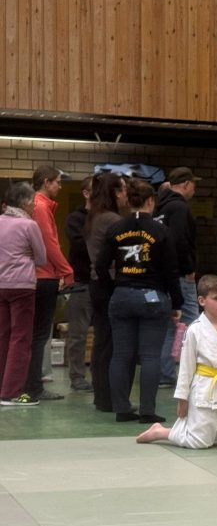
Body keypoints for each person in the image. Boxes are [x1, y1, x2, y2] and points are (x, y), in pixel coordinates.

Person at [93, 179, 183, 423]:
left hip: (121, 295)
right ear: (150, 201)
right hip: (152, 298)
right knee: (151, 356)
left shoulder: (116, 228)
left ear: (129, 201)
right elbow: (171, 271)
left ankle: (122, 408)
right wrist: (177, 303)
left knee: (121, 355)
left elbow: (100, 266)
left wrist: (114, 287)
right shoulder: (161, 231)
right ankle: (147, 411)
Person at [137, 275, 217, 448]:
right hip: (204, 389)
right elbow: (186, 368)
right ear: (201, 301)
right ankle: (161, 432)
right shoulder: (195, 330)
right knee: (200, 442)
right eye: (216, 298)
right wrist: (182, 400)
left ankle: (190, 427)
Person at [26, 165, 75, 401]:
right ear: (46, 182)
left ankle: (24, 383)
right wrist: (67, 271)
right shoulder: (42, 207)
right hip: (43, 277)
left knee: (28, 334)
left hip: (32, 276)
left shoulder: (33, 205)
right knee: (39, 335)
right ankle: (34, 387)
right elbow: (49, 245)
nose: (60, 186)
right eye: (57, 182)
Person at [0, 182, 47, 405]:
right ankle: (11, 392)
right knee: (21, 339)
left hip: (0, 286)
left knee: (3, 337)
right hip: (22, 287)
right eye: (33, 202)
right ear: (26, 202)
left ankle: (2, 387)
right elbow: (41, 258)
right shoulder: (29, 226)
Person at [155, 167, 201, 387]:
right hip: (181, 276)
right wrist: (189, 268)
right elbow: (180, 241)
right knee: (191, 321)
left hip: (163, 275)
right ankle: (189, 370)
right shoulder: (180, 208)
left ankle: (165, 372)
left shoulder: (159, 209)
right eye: (193, 184)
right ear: (185, 184)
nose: (195, 188)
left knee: (170, 323)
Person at [85, 173, 128, 412]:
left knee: (102, 341)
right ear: (113, 192)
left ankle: (102, 395)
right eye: (121, 190)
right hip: (108, 283)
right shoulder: (112, 219)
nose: (124, 195)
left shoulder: (95, 216)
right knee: (110, 343)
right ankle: (107, 397)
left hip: (97, 284)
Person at [64, 175, 94, 392]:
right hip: (82, 282)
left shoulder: (109, 218)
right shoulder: (75, 219)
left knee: (104, 333)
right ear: (86, 193)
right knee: (78, 334)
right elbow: (79, 246)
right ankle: (77, 376)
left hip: (104, 283)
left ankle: (101, 376)